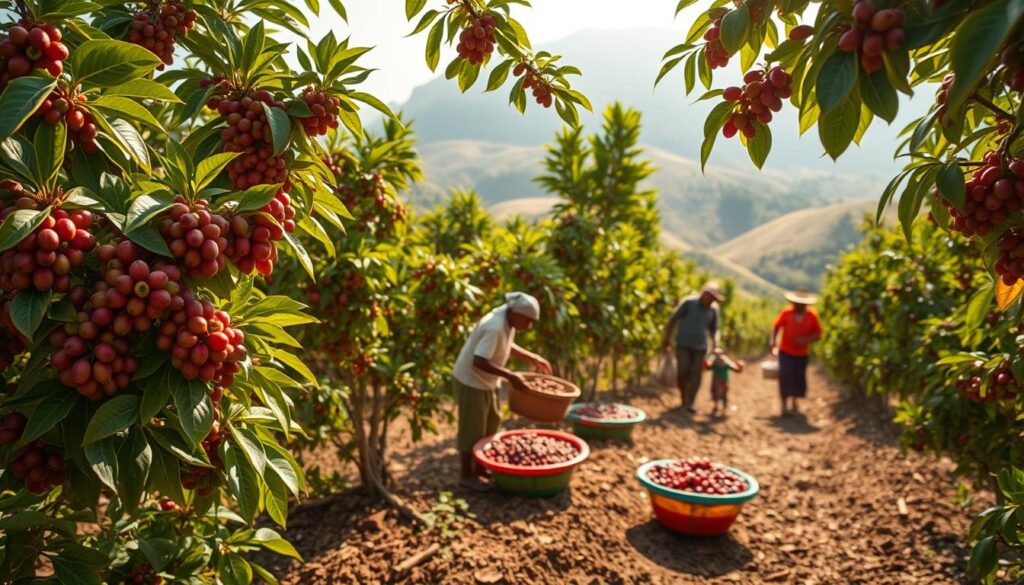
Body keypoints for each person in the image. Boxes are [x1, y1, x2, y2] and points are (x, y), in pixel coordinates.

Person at [452, 292, 552, 491]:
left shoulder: (507, 320)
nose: (529, 326)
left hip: (486, 382)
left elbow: (506, 346)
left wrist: (531, 357)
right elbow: (479, 361)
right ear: (517, 314)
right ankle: (466, 475)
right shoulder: (495, 327)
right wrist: (510, 376)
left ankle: (480, 468)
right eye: (528, 321)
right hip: (471, 381)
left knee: (490, 424)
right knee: (472, 429)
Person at [661, 282, 725, 413]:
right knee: (682, 371)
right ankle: (684, 396)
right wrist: (667, 338)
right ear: (704, 293)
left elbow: (715, 329)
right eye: (710, 296)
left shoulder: (713, 309)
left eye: (714, 298)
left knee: (696, 374)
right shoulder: (689, 303)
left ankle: (691, 402)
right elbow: (673, 318)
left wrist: (716, 344)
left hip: (700, 347)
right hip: (683, 344)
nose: (711, 300)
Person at [770, 288, 822, 416]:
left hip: (802, 354)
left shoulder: (812, 316)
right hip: (785, 351)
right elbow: (775, 327)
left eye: (801, 304)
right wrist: (772, 342)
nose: (797, 305)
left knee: (798, 377)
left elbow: (818, 334)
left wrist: (806, 339)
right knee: (785, 376)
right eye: (796, 303)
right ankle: (784, 405)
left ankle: (794, 402)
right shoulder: (786, 313)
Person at [705, 347, 744, 417]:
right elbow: (707, 367)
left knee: (724, 394)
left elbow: (735, 368)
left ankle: (724, 408)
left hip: (723, 381)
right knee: (715, 393)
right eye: (716, 354)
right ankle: (716, 406)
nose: (718, 356)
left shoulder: (726, 361)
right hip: (716, 381)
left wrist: (739, 367)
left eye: (719, 354)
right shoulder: (713, 362)